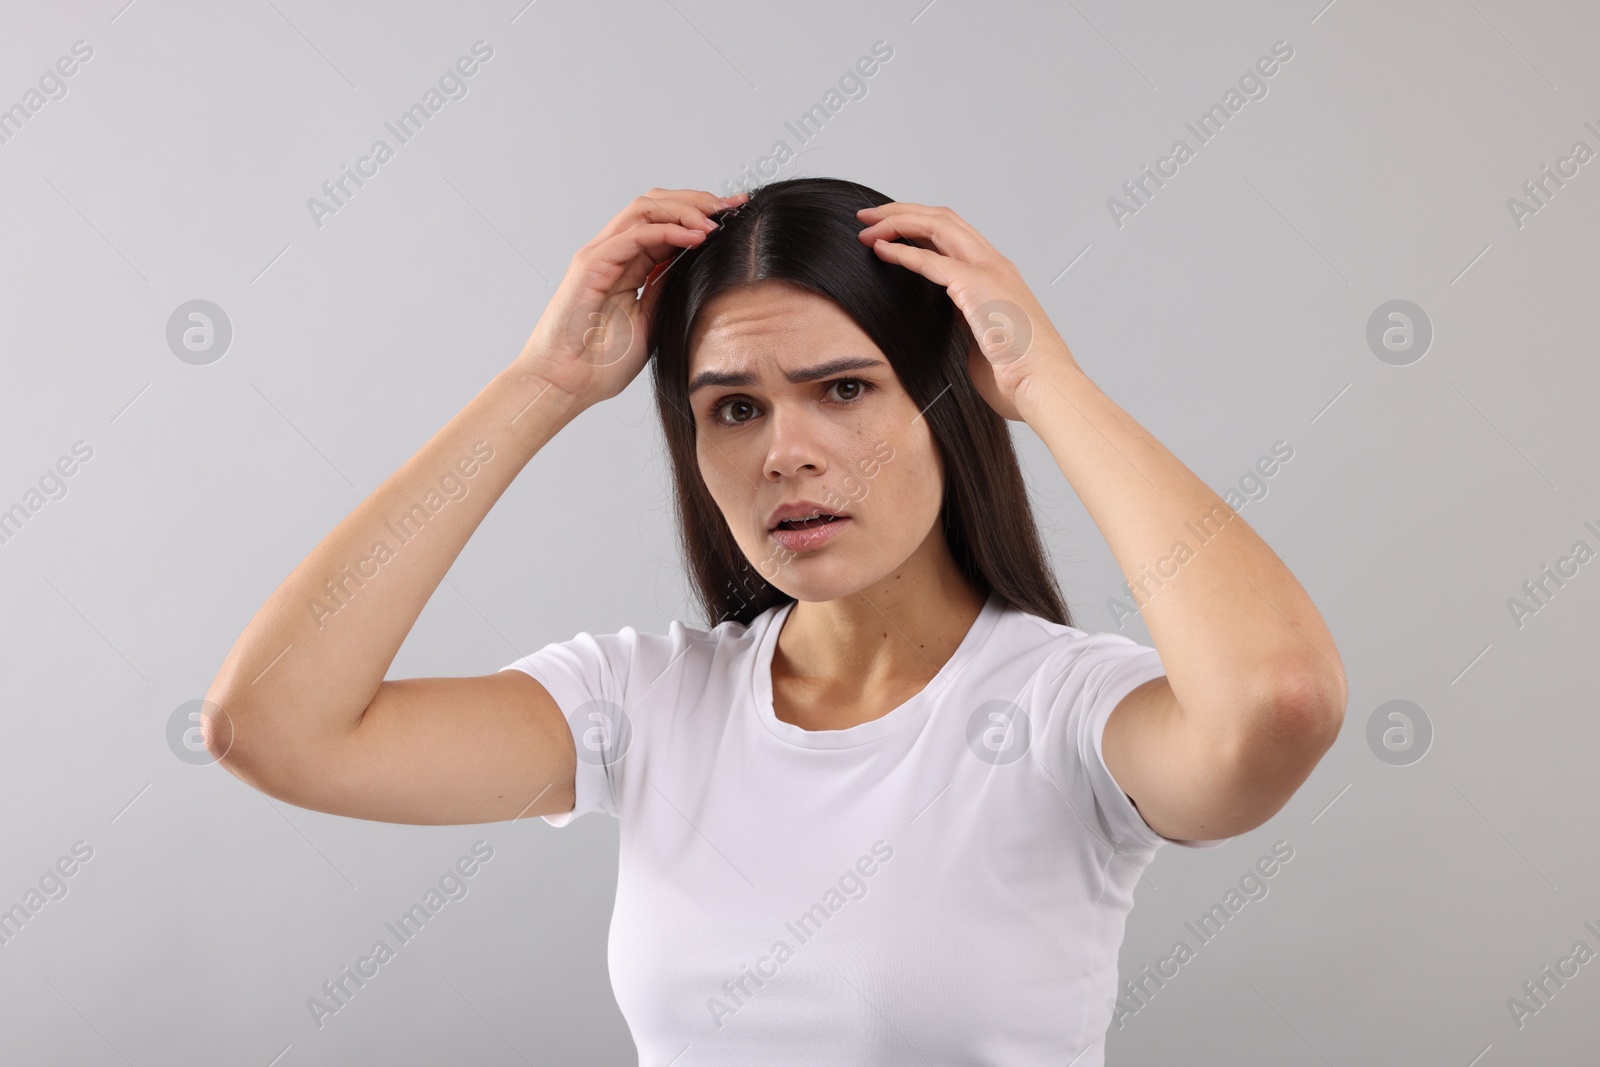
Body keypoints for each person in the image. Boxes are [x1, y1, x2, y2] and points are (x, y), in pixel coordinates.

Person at [205, 176, 1347, 1065]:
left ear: (948, 401)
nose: (782, 450)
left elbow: (1277, 702)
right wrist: (541, 383)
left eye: (844, 388)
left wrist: (1043, 376)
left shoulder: (1065, 711)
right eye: (733, 408)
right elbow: (273, 727)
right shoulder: (645, 701)